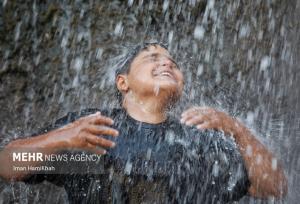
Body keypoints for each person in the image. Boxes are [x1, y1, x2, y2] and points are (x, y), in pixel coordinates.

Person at [0, 42, 287, 203]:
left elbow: (274, 188)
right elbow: (7, 166)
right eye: (152, 57)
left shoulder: (200, 141)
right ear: (123, 82)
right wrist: (60, 138)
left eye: (173, 62)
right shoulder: (92, 132)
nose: (167, 63)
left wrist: (236, 128)